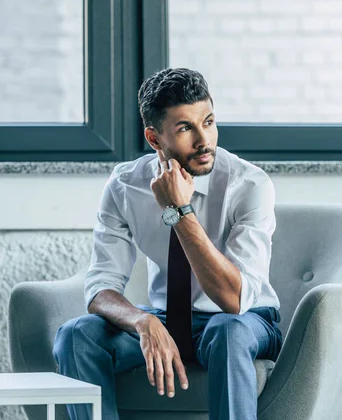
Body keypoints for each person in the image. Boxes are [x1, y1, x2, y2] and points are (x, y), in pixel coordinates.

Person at [53, 67, 283, 420]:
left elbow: (233, 299)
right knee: (76, 335)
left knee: (227, 331)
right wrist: (142, 322)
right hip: (163, 318)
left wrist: (180, 210)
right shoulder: (125, 185)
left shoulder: (249, 185)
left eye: (208, 122)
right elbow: (100, 287)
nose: (203, 140)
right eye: (185, 128)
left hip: (244, 320)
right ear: (154, 138)